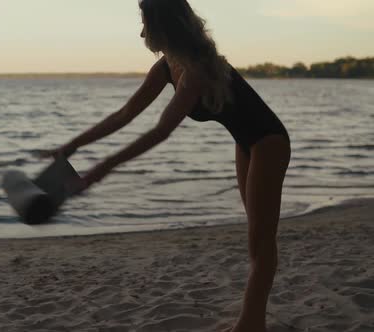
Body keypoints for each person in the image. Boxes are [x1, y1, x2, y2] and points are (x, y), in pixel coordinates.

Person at [39, 0, 291, 331]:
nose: (141, 31)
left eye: (145, 23)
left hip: (269, 142)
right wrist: (72, 146)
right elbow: (125, 114)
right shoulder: (166, 67)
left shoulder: (196, 69)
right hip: (245, 144)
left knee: (260, 238)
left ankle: (251, 324)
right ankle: (253, 320)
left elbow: (161, 131)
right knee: (256, 238)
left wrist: (103, 167)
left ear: (162, 26)